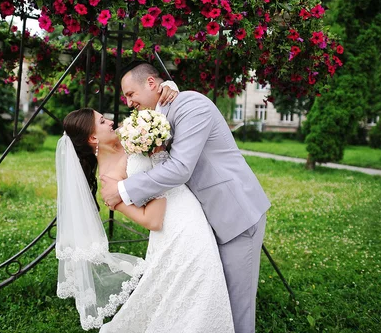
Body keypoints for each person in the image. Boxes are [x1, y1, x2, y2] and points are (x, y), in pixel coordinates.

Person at [100, 60, 271, 333]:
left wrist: (122, 191)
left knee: (237, 306)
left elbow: (179, 168)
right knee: (215, 302)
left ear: (152, 84)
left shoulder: (192, 105)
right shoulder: (157, 112)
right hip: (204, 221)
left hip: (234, 215)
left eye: (131, 94)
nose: (129, 102)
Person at [58, 101, 234, 331]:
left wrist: (168, 88)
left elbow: (159, 115)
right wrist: (158, 166)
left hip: (190, 209)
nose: (111, 121)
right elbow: (153, 220)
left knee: (199, 286)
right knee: (199, 282)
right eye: (102, 121)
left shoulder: (132, 134)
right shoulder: (109, 182)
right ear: (93, 138)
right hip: (177, 228)